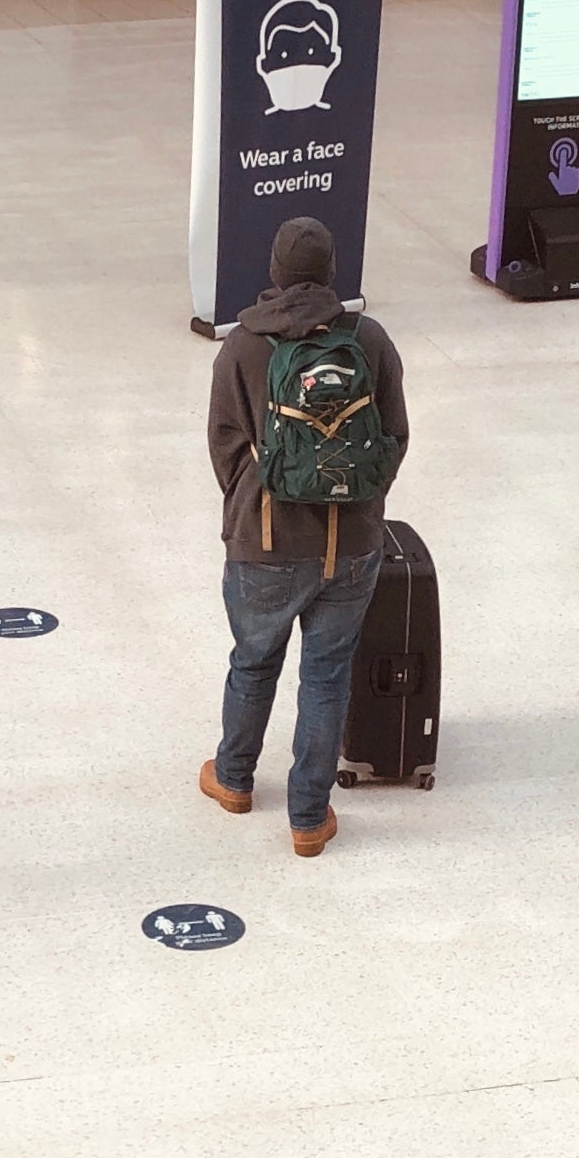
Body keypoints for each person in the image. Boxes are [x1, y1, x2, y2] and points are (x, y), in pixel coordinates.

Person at [199, 215, 410, 858]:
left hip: (263, 544)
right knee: (325, 676)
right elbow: (394, 435)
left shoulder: (241, 347)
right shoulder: (367, 340)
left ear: (273, 272)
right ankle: (308, 819)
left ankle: (234, 780)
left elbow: (225, 445)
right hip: (350, 545)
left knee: (253, 660)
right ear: (330, 272)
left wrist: (251, 500)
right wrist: (363, 503)